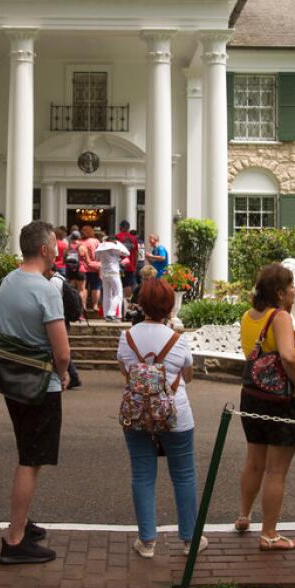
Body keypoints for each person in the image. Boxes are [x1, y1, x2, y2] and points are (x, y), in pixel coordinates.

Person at [0, 221, 71, 564]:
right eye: (55, 245)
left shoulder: (8, 281)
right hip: (41, 383)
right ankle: (14, 540)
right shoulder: (46, 289)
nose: (58, 250)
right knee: (31, 459)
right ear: (43, 249)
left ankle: (22, 522)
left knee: (27, 451)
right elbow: (62, 350)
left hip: (13, 380)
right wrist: (65, 372)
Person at [116, 278, 204, 558]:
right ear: (169, 306)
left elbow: (126, 373)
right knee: (184, 474)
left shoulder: (127, 338)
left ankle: (147, 541)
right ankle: (190, 539)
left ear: (141, 304)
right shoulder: (178, 339)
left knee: (142, 475)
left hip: (138, 413)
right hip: (175, 413)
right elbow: (188, 375)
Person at [236, 263, 295, 552]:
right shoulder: (279, 317)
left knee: (254, 460)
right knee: (276, 471)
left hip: (252, 395)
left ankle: (243, 515)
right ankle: (269, 533)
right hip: (279, 399)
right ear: (279, 292)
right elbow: (289, 357)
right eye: (291, 287)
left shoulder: (248, 316)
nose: (294, 291)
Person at [95, 235, 129, 321]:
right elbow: (127, 253)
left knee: (107, 294)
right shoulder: (115, 247)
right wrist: (118, 243)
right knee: (118, 293)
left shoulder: (100, 247)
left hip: (104, 272)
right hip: (113, 272)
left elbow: (97, 259)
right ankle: (111, 313)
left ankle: (106, 314)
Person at [115, 220, 139, 299]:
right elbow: (136, 253)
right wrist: (135, 266)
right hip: (130, 265)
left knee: (118, 283)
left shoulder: (117, 237)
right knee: (128, 284)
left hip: (119, 265)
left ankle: (119, 301)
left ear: (120, 227)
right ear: (128, 228)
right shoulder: (134, 238)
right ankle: (127, 302)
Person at [79, 225, 101, 311]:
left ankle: (83, 306)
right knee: (95, 287)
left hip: (83, 268)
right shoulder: (96, 241)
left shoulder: (80, 242)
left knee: (84, 288)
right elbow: (100, 253)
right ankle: (95, 306)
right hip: (95, 267)